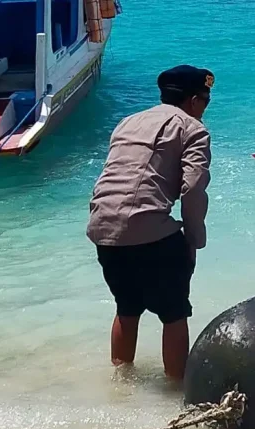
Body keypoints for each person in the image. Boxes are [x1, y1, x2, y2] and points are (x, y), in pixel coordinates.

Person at [86, 64, 214, 381]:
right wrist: (194, 240)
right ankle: (175, 391)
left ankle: (121, 387)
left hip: (103, 228)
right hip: (147, 230)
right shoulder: (193, 129)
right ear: (196, 101)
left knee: (127, 309)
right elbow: (193, 187)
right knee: (174, 313)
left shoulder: (127, 123)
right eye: (206, 101)